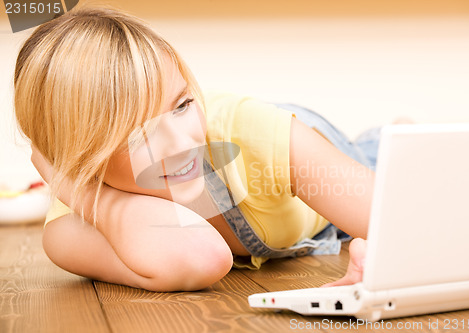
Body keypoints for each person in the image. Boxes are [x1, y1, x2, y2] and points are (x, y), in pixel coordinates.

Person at [16, 6, 374, 291]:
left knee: (387, 152)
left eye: (182, 104)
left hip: (340, 151)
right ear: (78, 159)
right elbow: (202, 257)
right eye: (138, 136)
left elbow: (406, 222)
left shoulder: (255, 136)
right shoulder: (71, 226)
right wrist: (83, 194)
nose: (182, 143)